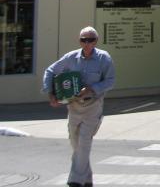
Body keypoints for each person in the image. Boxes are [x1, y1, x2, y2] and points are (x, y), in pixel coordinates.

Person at [43, 26, 115, 187]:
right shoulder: (71, 57)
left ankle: (75, 181)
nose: (87, 43)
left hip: (93, 105)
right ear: (79, 40)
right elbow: (50, 71)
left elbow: (110, 81)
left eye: (90, 40)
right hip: (74, 106)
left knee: (84, 142)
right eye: (84, 39)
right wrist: (51, 93)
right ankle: (87, 179)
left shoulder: (104, 58)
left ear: (96, 41)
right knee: (75, 142)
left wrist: (91, 88)